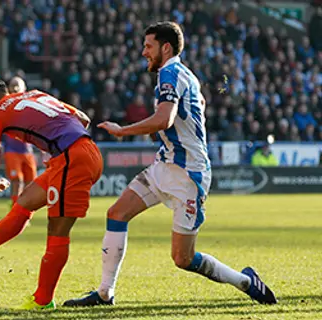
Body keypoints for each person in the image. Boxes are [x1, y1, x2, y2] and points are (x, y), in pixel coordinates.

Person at [63, 21, 277, 307]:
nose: (143, 52)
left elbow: (164, 118)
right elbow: (190, 108)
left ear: (166, 47)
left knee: (182, 259)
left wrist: (122, 130)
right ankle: (104, 293)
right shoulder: (183, 73)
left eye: (148, 46)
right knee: (116, 213)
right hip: (164, 166)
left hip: (189, 175)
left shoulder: (170, 73)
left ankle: (246, 282)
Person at [0, 78, 103, 310]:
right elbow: (84, 119)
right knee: (24, 203)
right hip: (80, 152)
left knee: (57, 231)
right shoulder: (34, 94)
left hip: (72, 159)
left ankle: (43, 301)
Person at [2, 77, 37, 204]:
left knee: (31, 183)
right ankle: (15, 210)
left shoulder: (31, 105)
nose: (15, 88)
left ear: (24, 88)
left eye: (18, 85)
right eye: (13, 85)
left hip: (27, 150)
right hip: (12, 149)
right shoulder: (5, 105)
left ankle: (24, 213)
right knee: (17, 180)